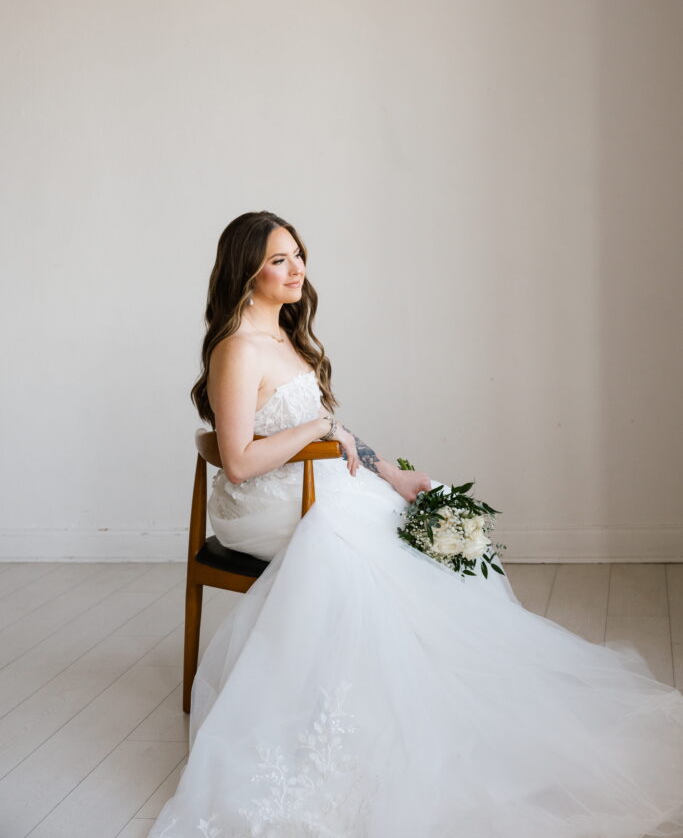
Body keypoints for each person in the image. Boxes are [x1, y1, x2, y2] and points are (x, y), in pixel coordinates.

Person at [149, 210, 683, 838]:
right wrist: (320, 430)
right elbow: (238, 462)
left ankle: (453, 708)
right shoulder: (237, 348)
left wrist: (388, 473)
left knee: (411, 527)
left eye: (298, 255)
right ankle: (378, 721)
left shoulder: (287, 339)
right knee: (364, 553)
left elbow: (336, 433)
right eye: (279, 260)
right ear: (246, 270)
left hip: (312, 489)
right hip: (262, 508)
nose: (298, 270)